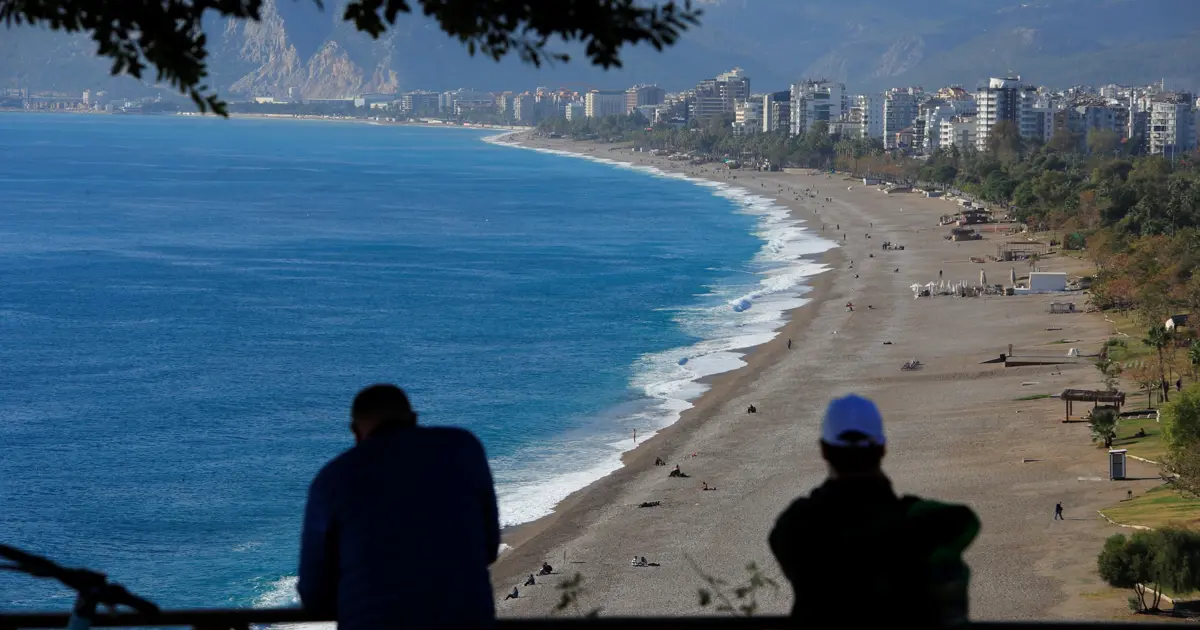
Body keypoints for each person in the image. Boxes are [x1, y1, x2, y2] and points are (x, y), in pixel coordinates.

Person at [299, 384, 501, 630]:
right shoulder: (462, 448)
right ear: (414, 419)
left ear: (355, 432)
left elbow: (314, 594)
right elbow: (489, 546)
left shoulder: (332, 479)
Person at [769, 395, 980, 628]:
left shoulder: (796, 526)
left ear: (823, 450)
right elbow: (964, 521)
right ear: (882, 449)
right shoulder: (916, 522)